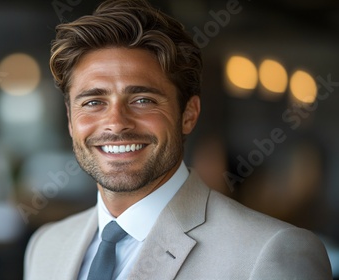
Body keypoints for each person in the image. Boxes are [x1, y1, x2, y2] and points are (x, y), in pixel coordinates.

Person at [24, 0, 333, 279]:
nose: (116, 123)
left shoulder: (273, 253)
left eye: (143, 100)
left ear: (188, 114)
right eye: (93, 102)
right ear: (69, 119)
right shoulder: (46, 246)